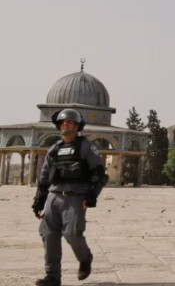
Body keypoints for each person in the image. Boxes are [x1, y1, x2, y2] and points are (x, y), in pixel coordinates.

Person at [31, 109, 108, 286]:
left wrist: (91, 196)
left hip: (75, 197)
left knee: (72, 233)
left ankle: (85, 258)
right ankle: (52, 277)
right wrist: (39, 201)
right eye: (63, 122)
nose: (66, 124)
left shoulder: (86, 146)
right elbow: (44, 178)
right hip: (53, 197)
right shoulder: (54, 149)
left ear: (77, 126)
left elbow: (99, 173)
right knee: (48, 235)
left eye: (71, 122)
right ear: (59, 125)